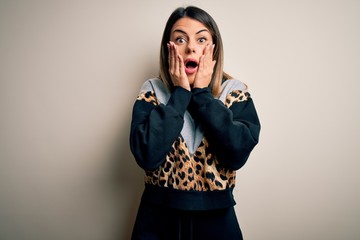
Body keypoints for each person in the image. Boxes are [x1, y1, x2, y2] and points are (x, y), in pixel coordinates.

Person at [129, 6, 261, 240]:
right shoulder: (152, 91)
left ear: (213, 50)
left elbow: (236, 155)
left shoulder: (234, 92)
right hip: (157, 222)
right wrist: (181, 93)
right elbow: (147, 155)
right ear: (167, 50)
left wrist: (201, 94)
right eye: (180, 39)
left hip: (217, 222)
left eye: (201, 39)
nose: (190, 47)